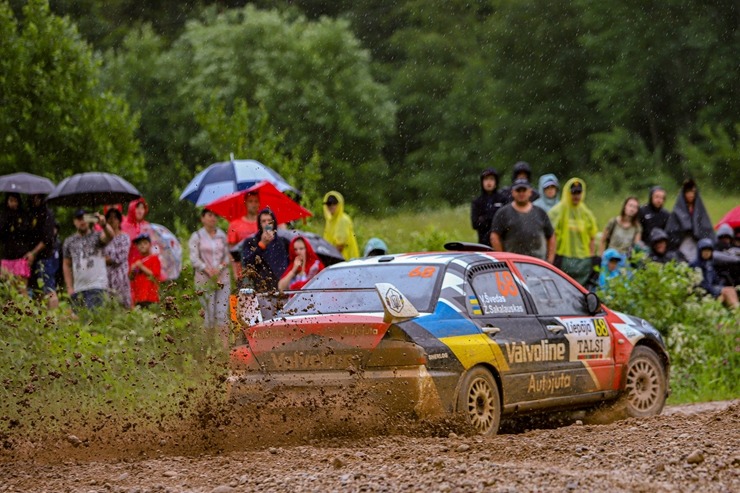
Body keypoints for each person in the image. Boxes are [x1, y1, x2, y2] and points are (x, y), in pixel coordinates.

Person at [189, 208, 232, 347]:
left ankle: (225, 348)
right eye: (209, 215)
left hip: (222, 279)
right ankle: (210, 346)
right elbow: (193, 258)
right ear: (202, 218)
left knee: (222, 313)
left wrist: (218, 269)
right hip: (204, 280)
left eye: (215, 216)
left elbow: (226, 256)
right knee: (209, 314)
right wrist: (206, 269)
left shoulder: (221, 236)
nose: (212, 218)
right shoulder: (197, 236)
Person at [489, 178, 555, 263]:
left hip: (538, 265)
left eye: (524, 190)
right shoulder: (503, 213)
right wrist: (502, 260)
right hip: (513, 265)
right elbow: (494, 237)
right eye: (518, 190)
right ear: (512, 192)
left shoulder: (540, 212)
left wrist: (550, 260)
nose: (521, 193)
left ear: (530, 192)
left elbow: (551, 236)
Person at [548, 178, 599, 288]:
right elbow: (551, 235)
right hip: (563, 258)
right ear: (568, 193)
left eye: (579, 193)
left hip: (583, 261)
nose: (576, 196)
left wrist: (590, 257)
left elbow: (592, 237)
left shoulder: (586, 213)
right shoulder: (557, 211)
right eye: (573, 192)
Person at [62, 210, 113, 310]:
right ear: (74, 221)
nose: (82, 221)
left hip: (97, 286)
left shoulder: (97, 236)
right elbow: (66, 264)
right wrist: (69, 287)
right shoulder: (69, 241)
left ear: (89, 220)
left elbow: (110, 236)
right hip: (79, 288)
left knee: (96, 321)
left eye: (84, 218)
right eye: (79, 219)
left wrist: (104, 225)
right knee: (80, 323)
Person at [665, 179, 714, 262]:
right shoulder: (678, 210)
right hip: (683, 241)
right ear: (684, 194)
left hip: (697, 242)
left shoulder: (699, 209)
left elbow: (705, 226)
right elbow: (672, 229)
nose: (691, 195)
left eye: (692, 192)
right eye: (688, 192)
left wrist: (697, 232)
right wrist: (684, 230)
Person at [241, 208, 289, 293]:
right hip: (260, 288)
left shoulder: (283, 242)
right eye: (263, 221)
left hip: (281, 288)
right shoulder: (251, 242)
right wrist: (262, 244)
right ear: (259, 224)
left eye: (269, 221)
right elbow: (247, 263)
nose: (267, 224)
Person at [25, 194, 59, 308]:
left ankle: (54, 318)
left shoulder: (47, 214)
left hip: (45, 257)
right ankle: (41, 321)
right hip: (32, 260)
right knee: (35, 291)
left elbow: (47, 239)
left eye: (38, 197)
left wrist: (33, 253)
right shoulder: (30, 214)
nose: (35, 200)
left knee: (49, 290)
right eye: (33, 197)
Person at [690, 238, 739, 309]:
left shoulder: (709, 263)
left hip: (712, 290)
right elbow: (700, 284)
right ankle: (737, 311)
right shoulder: (695, 265)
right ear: (700, 251)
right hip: (703, 293)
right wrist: (718, 291)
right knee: (727, 291)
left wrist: (720, 287)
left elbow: (716, 279)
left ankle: (736, 312)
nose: (707, 253)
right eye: (704, 251)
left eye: (709, 251)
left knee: (730, 289)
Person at [0, 192, 32, 287]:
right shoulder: (3, 216)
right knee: (8, 289)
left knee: (21, 288)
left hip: (20, 256)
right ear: (7, 202)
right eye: (11, 201)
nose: (13, 203)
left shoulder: (23, 216)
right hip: (7, 256)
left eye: (15, 201)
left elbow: (27, 233)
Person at [470, 168, 507, 246]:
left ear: (496, 182)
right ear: (482, 182)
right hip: (483, 242)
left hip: (501, 242)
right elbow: (475, 224)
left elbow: (505, 221)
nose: (489, 182)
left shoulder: (503, 199)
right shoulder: (477, 202)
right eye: (486, 179)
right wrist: (492, 216)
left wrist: (484, 218)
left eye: (491, 179)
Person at [103, 208, 132, 308]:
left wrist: (106, 259)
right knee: (108, 306)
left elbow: (120, 257)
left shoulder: (124, 237)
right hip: (106, 277)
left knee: (122, 305)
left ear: (119, 220)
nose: (112, 220)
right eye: (109, 218)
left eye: (115, 217)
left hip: (120, 276)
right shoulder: (103, 238)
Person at [322, 191, 359, 259]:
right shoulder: (330, 221)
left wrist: (329, 259)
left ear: (340, 204)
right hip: (336, 258)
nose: (332, 206)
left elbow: (340, 246)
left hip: (345, 260)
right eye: (329, 203)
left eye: (335, 203)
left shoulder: (343, 219)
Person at [129, 233, 161, 309]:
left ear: (150, 245)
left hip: (150, 296)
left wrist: (141, 267)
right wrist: (132, 271)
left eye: (145, 243)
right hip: (138, 297)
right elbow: (130, 278)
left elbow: (154, 275)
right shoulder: (135, 260)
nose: (142, 245)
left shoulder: (154, 259)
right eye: (139, 244)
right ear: (136, 246)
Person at [121, 197, 150, 265]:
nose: (140, 211)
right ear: (132, 208)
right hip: (127, 265)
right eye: (137, 208)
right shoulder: (123, 225)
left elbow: (152, 246)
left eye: (142, 208)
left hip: (143, 267)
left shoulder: (147, 226)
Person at [713, 223, 740, 288]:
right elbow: (715, 255)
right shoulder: (716, 247)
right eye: (723, 237)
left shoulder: (733, 249)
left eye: (727, 238)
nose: (725, 240)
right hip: (721, 276)